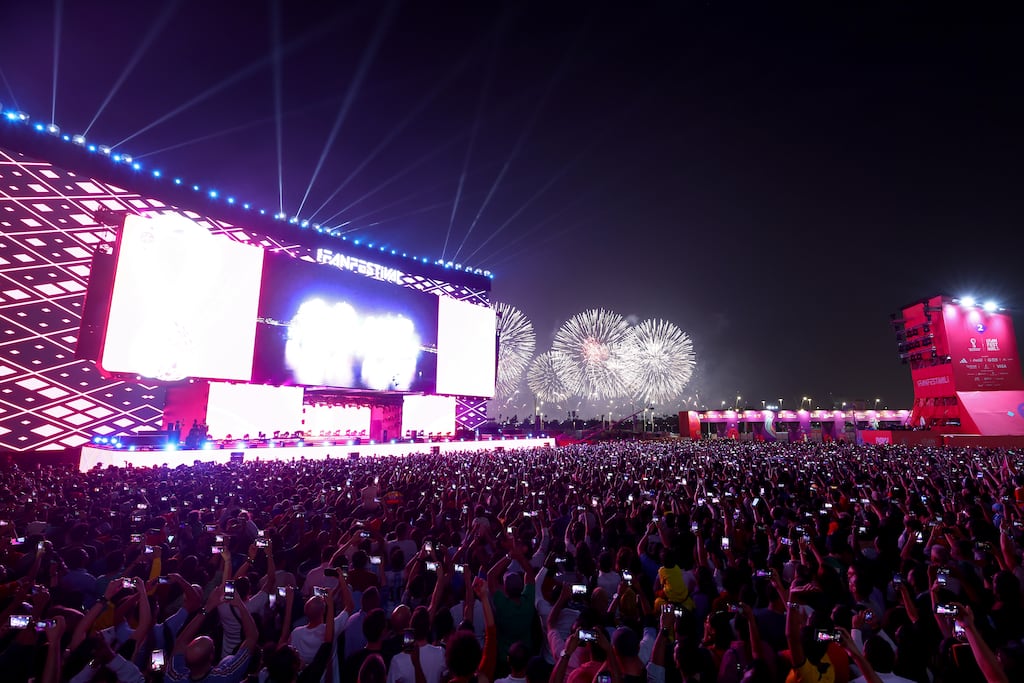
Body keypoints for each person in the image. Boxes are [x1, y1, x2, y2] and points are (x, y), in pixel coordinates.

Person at [167, 584, 258, 683]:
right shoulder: (226, 676)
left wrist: (207, 607)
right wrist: (240, 604)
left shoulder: (173, 677)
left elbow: (180, 642)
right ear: (211, 656)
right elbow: (252, 637)